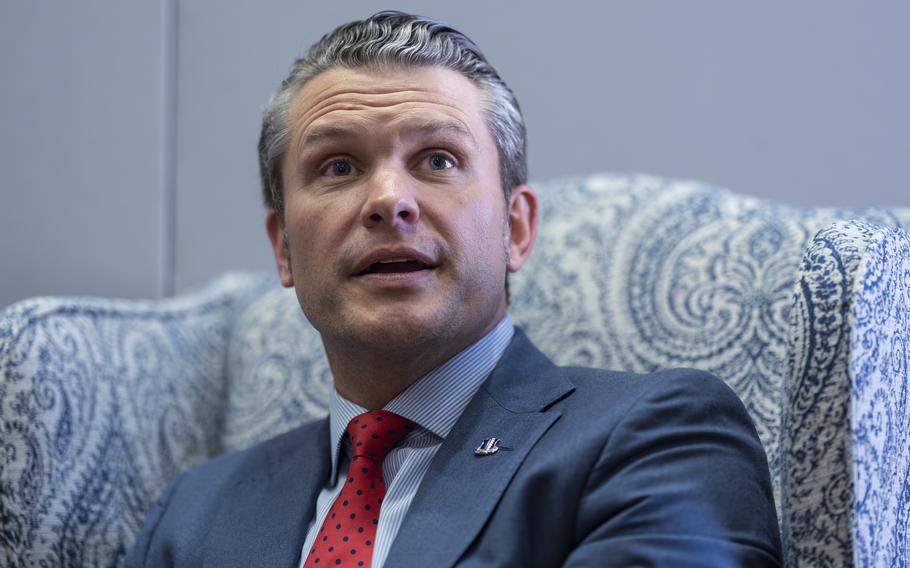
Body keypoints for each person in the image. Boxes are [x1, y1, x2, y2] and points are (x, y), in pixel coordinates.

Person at [126, 11, 782, 567]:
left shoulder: (655, 437)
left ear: (516, 228)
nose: (389, 201)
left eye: (438, 159)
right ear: (284, 248)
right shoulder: (195, 512)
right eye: (338, 165)